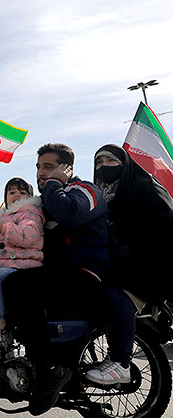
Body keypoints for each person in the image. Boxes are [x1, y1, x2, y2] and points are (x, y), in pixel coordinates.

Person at [2, 143, 108, 416]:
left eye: (47, 167)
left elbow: (69, 212)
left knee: (15, 285)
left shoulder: (85, 190)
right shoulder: (49, 199)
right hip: (60, 274)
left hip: (86, 274)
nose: (40, 173)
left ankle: (50, 370)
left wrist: (53, 183)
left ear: (66, 168)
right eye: (38, 167)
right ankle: (64, 381)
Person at [84, 144, 173, 385]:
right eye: (98, 163)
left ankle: (120, 362)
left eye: (110, 161)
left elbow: (163, 231)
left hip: (148, 266)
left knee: (116, 294)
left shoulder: (144, 188)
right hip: (117, 264)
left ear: (124, 163)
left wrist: (127, 250)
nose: (103, 167)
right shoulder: (103, 195)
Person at [0, 177, 44, 342]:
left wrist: (3, 228)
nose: (16, 195)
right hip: (4, 263)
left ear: (29, 196)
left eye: (22, 192)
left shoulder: (31, 212)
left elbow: (28, 236)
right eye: (11, 192)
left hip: (22, 264)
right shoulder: (4, 216)